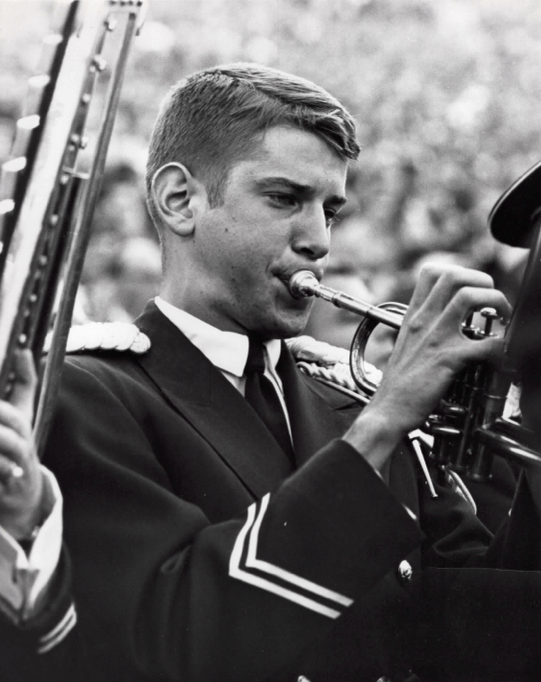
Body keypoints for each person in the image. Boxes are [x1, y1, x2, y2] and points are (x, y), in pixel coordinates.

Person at [0, 63, 539, 682]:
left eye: (331, 210)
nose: (318, 240)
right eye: (285, 199)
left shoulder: (346, 397)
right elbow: (177, 641)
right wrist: (388, 419)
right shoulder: (89, 394)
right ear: (180, 201)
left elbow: (465, 626)